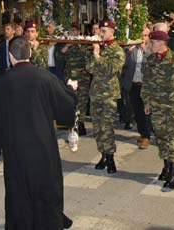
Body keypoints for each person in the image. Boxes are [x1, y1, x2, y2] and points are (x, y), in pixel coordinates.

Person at [0, 36, 77, 229]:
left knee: (18, 190)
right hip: (42, 146)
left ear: (11, 56)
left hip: (15, 148)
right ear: (30, 53)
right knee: (45, 188)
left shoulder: (2, 81)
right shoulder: (45, 77)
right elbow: (66, 106)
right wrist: (71, 89)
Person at [141, 30, 174, 190]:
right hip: (157, 107)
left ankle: (173, 174)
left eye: (152, 42)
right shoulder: (151, 60)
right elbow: (147, 82)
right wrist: (147, 102)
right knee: (162, 138)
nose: (150, 45)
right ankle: (166, 167)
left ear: (161, 43)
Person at [87, 20, 125, 174]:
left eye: (104, 31)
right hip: (95, 92)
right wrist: (94, 54)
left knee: (107, 127)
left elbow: (111, 69)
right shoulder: (97, 48)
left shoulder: (117, 51)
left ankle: (110, 158)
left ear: (112, 32)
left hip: (109, 94)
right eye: (99, 30)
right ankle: (103, 155)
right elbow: (89, 68)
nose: (100, 33)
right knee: (97, 128)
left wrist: (97, 56)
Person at [122, 23, 152, 149]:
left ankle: (147, 136)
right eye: (141, 36)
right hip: (133, 83)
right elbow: (124, 64)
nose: (143, 38)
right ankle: (142, 133)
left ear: (149, 37)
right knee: (137, 111)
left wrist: (146, 51)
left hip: (145, 85)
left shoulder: (151, 48)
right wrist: (128, 51)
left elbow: (154, 63)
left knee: (146, 111)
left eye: (145, 35)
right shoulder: (133, 48)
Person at [64, 23, 90, 136]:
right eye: (71, 30)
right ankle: (72, 123)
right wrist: (67, 46)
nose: (73, 32)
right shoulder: (66, 42)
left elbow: (89, 57)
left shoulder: (84, 43)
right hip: (70, 77)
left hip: (82, 78)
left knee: (82, 101)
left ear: (78, 32)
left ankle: (81, 122)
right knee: (71, 101)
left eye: (75, 30)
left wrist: (80, 45)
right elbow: (59, 56)